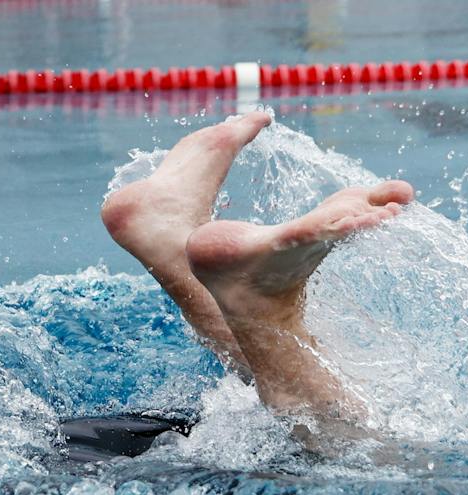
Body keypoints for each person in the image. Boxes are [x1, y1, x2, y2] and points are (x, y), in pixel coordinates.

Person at [99, 111, 414, 430]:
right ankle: (262, 309)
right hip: (119, 451)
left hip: (82, 454)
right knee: (376, 453)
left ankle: (169, 237)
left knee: (372, 432)